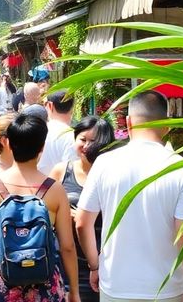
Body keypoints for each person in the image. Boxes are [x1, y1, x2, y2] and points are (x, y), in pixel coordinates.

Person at [76, 90, 183, 302]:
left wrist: (94, 266)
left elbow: (82, 223)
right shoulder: (181, 168)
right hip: (168, 290)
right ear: (167, 125)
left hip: (115, 287)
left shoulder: (105, 163)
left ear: (128, 122)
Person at [0, 114, 80, 302]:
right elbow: (67, 246)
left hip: (1, 279)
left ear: (7, 143)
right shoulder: (55, 190)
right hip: (44, 280)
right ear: (42, 147)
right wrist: (73, 290)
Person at [48, 116, 117, 302]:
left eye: (93, 141)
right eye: (82, 139)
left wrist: (83, 216)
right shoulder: (61, 171)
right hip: (69, 259)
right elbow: (44, 210)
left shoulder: (114, 174)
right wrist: (63, 214)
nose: (86, 146)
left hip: (106, 260)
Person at [37, 90, 78, 175]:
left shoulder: (38, 130)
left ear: (50, 105)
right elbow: (70, 172)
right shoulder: (73, 136)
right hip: (60, 186)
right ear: (72, 107)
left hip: (37, 184)